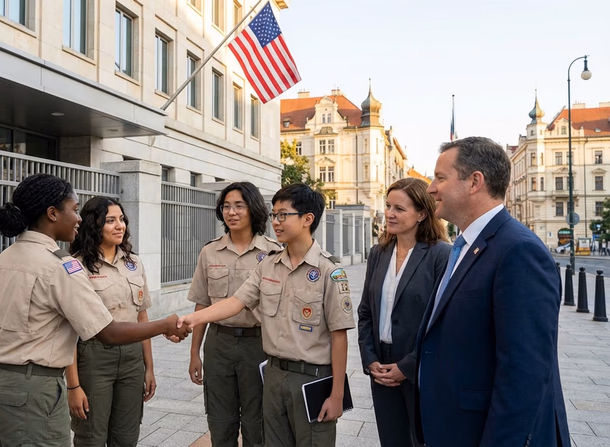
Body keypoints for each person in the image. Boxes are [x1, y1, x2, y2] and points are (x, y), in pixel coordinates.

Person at [0, 174, 189, 447]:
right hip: (33, 391)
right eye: (74, 210)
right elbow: (107, 332)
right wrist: (166, 325)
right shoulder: (61, 267)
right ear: (52, 214)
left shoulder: (1, 261)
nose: (78, 218)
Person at [416, 137, 569, 446]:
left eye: (440, 178)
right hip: (453, 428)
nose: (431, 188)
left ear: (475, 182)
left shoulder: (519, 251)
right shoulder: (463, 246)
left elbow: (523, 376)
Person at [179, 183, 355, 447]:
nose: (276, 221)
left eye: (283, 215)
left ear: (308, 219)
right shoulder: (268, 266)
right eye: (274, 215)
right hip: (273, 374)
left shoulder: (329, 271)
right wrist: (192, 320)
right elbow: (236, 301)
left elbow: (338, 336)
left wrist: (338, 393)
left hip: (311, 377)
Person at [357, 178, 451, 447]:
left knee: (422, 441)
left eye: (399, 208)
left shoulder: (440, 255)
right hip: (381, 367)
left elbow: (442, 322)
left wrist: (407, 366)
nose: (389, 213)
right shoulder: (379, 253)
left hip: (421, 367)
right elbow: (366, 311)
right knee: (391, 440)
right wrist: (370, 358)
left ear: (422, 214)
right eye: (388, 206)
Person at [186, 182, 280, 447]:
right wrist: (195, 353)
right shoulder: (210, 251)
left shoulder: (273, 253)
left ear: (253, 209)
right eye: (226, 206)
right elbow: (202, 305)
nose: (232, 212)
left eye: (239, 206)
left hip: (258, 344)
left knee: (257, 420)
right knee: (220, 420)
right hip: (219, 343)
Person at [66, 196, 156, 447]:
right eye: (110, 221)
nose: (120, 226)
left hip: (131, 360)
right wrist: (73, 386)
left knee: (126, 436)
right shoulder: (77, 266)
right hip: (94, 358)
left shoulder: (134, 263)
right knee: (91, 436)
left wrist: (149, 367)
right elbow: (70, 331)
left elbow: (142, 318)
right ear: (94, 224)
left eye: (122, 219)